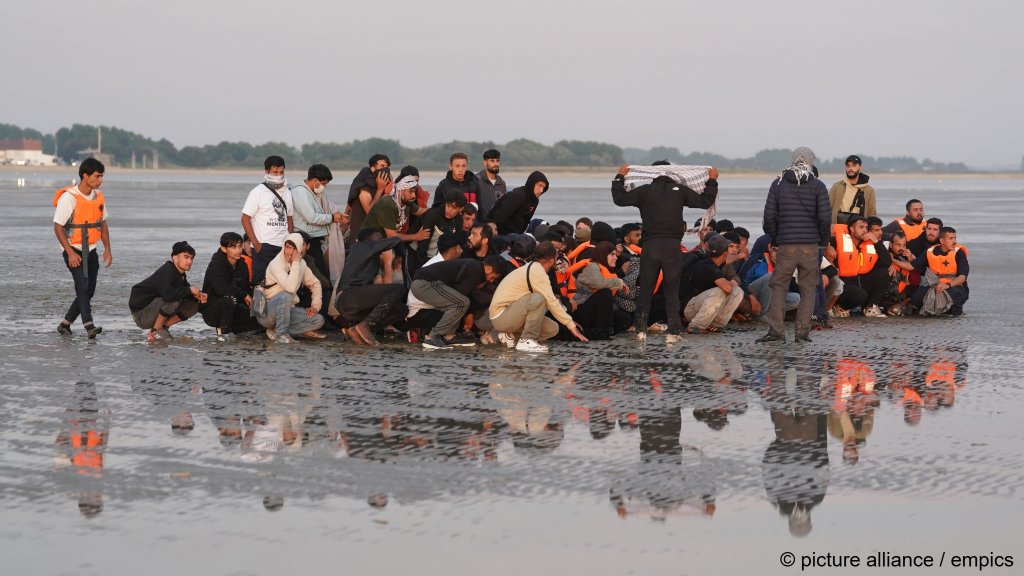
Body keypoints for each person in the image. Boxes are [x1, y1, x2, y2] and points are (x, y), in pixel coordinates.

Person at [611, 162, 719, 341]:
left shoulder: (645, 190)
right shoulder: (681, 190)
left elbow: (619, 199)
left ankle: (640, 329)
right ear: (673, 172)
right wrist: (712, 181)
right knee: (671, 288)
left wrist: (619, 177)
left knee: (645, 288)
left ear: (652, 172)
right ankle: (674, 330)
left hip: (650, 246)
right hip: (672, 246)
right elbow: (705, 201)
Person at [758, 147, 831, 343]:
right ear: (810, 162)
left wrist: (775, 238)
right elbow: (825, 218)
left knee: (779, 286)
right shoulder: (818, 186)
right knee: (808, 288)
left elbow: (769, 216)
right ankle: (802, 333)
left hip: (786, 245)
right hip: (810, 245)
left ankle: (776, 332)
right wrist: (822, 241)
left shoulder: (778, 184)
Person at [488, 241, 589, 352]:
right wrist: (571, 326)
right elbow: (552, 301)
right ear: (552, 260)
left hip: (509, 314)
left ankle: (511, 336)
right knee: (540, 298)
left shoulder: (534, 268)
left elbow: (552, 302)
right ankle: (527, 340)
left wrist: (568, 322)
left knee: (552, 329)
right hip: (500, 315)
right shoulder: (537, 271)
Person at [53, 158, 112, 338]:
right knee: (82, 287)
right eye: (97, 176)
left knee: (90, 290)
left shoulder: (99, 197)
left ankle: (65, 324)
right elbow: (57, 227)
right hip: (73, 249)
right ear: (85, 176)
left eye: (101, 176)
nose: (100, 180)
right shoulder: (69, 198)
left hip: (91, 249)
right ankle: (89, 325)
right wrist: (70, 253)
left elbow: (102, 225)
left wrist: (107, 249)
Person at [411, 256, 505, 349]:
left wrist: (470, 313)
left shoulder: (473, 266)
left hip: (423, 284)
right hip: (425, 283)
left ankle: (449, 336)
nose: (490, 281)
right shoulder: (477, 271)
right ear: (488, 269)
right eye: (493, 277)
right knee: (460, 303)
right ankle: (432, 337)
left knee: (460, 303)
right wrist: (469, 313)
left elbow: (459, 295)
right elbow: (461, 295)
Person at [335, 228, 408, 346]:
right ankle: (365, 326)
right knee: (399, 289)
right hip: (347, 297)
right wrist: (399, 255)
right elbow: (397, 240)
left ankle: (356, 329)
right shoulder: (361, 246)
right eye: (378, 238)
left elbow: (382, 292)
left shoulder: (372, 258)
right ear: (368, 240)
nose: (381, 240)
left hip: (356, 305)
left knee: (401, 310)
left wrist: (389, 261)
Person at [254, 232, 325, 343]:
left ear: (300, 250)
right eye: (288, 247)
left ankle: (276, 331)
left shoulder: (301, 264)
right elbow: (290, 288)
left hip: (287, 311)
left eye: (294, 248)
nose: (290, 252)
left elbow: (315, 284)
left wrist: (315, 306)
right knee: (287, 295)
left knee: (318, 320)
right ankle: (281, 334)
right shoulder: (276, 264)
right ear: (284, 247)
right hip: (267, 313)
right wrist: (296, 263)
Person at [129, 241, 206, 342]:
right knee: (173, 299)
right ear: (175, 258)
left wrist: (199, 295)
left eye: (192, 258)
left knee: (195, 304)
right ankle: (155, 331)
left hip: (153, 311)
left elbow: (186, 291)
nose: (190, 261)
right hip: (141, 315)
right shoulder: (167, 271)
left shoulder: (180, 274)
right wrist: (189, 290)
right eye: (186, 257)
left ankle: (163, 327)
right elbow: (169, 295)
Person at [241, 155, 294, 286]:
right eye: (275, 172)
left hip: (282, 247)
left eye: (281, 172)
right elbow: (245, 219)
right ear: (267, 171)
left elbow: (289, 217)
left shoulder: (287, 191)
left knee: (282, 283)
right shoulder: (258, 192)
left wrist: (288, 239)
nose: (279, 175)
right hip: (263, 246)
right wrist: (257, 245)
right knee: (261, 283)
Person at [200, 232, 262, 339]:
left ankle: (235, 330)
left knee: (260, 322)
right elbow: (220, 289)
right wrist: (244, 295)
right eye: (233, 247)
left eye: (239, 246)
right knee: (229, 298)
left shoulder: (242, 264)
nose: (238, 250)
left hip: (235, 307)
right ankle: (223, 331)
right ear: (224, 249)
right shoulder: (216, 264)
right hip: (212, 310)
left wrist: (254, 300)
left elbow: (246, 287)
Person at [680, 234, 744, 333]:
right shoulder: (707, 266)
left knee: (738, 291)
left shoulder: (714, 262)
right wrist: (729, 283)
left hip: (700, 306)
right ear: (724, 254)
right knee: (720, 291)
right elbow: (728, 288)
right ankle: (696, 326)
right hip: (689, 309)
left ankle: (715, 324)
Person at [290, 164, 347, 275]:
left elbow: (326, 208)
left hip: (315, 237)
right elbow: (311, 217)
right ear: (315, 180)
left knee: (318, 271)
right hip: (305, 238)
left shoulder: (316, 192)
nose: (324, 187)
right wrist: (332, 218)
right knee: (316, 273)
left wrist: (337, 215)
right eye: (323, 183)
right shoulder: (299, 192)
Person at [832, 216, 891, 318]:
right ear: (852, 229)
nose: (864, 230)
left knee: (884, 271)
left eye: (866, 227)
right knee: (859, 295)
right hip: (843, 283)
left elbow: (886, 261)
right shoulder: (838, 240)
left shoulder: (870, 243)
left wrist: (876, 242)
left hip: (861, 281)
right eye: (861, 227)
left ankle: (870, 307)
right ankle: (839, 306)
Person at [572, 241, 628, 340]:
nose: (616, 257)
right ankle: (600, 332)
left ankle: (594, 332)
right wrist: (619, 282)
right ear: (602, 255)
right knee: (605, 293)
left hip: (590, 311)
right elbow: (599, 283)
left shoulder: (605, 269)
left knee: (623, 318)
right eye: (612, 254)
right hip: (578, 309)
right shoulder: (592, 266)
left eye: (616, 254)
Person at [910, 227, 969, 316]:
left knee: (955, 293)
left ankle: (955, 312)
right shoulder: (930, 251)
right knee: (916, 298)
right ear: (942, 240)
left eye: (955, 238)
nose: (954, 241)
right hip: (934, 285)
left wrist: (947, 285)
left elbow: (962, 277)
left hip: (953, 286)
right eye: (951, 238)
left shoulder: (959, 252)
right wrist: (893, 261)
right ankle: (927, 309)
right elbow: (911, 266)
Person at [360, 170, 430, 244]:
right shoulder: (388, 204)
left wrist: (438, 208)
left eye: (414, 192)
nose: (413, 196)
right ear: (401, 191)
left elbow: (420, 211)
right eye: (410, 192)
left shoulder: (406, 202)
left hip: (385, 241)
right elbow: (391, 236)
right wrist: (416, 236)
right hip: (369, 243)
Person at [413, 190, 467, 269]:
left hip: (436, 258)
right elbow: (423, 244)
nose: (449, 210)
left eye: (454, 208)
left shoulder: (459, 220)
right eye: (448, 206)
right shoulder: (433, 214)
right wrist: (422, 267)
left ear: (461, 208)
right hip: (415, 254)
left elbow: (456, 243)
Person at [346, 154, 392, 243]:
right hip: (361, 237)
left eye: (387, 167)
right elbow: (370, 212)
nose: (385, 169)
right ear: (373, 169)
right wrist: (380, 189)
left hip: (377, 235)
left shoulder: (384, 185)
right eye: (382, 166)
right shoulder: (363, 187)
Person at [491, 171, 549, 236]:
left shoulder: (535, 200)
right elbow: (498, 218)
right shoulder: (517, 196)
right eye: (539, 186)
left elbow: (526, 220)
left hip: (516, 235)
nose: (541, 190)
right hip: (499, 232)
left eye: (543, 188)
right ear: (532, 183)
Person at [829, 154, 877, 225]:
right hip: (838, 227)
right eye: (848, 166)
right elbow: (827, 208)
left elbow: (872, 214)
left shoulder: (869, 190)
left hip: (859, 229)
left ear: (860, 168)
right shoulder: (837, 186)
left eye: (854, 165)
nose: (850, 168)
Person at [476, 149, 507, 217]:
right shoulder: (476, 180)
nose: (496, 164)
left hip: (498, 225)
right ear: (485, 163)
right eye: (492, 161)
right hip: (481, 224)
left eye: (497, 161)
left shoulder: (502, 183)